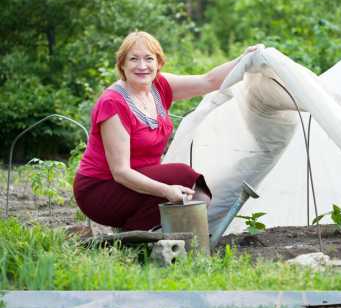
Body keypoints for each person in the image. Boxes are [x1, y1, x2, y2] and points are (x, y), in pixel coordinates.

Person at [74, 31, 261, 231]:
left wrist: (243, 60)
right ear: (122, 65)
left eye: (148, 58)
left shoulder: (160, 87)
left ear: (158, 63)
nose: (142, 66)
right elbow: (120, 172)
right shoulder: (113, 103)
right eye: (133, 59)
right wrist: (166, 190)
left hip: (134, 180)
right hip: (101, 189)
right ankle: (137, 238)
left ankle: (144, 233)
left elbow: (208, 81)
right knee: (181, 176)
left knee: (188, 190)